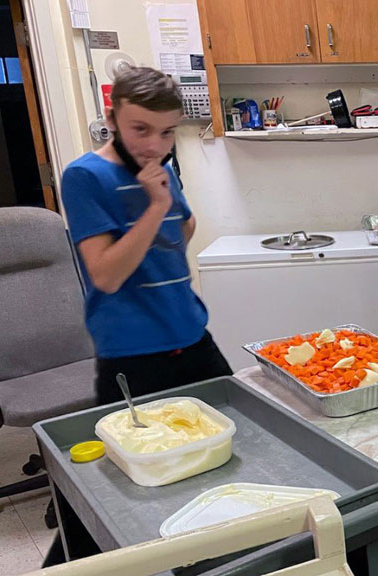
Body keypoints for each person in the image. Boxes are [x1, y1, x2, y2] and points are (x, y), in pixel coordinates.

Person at [60, 66, 231, 405]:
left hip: (191, 333)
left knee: (240, 428)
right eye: (140, 129)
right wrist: (154, 208)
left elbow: (185, 225)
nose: (155, 146)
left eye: (167, 132)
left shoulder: (162, 168)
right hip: (132, 352)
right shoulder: (84, 176)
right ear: (112, 119)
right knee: (150, 452)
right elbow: (107, 277)